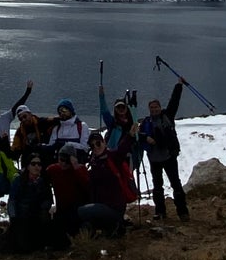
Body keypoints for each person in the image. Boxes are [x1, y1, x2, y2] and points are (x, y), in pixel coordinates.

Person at [139, 80, 189, 221]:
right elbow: (139, 137)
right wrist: (146, 138)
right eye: (152, 108)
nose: (154, 110)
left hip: (169, 157)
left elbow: (174, 101)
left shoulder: (167, 116)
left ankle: (183, 212)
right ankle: (160, 212)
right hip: (154, 160)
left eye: (156, 107)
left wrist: (178, 85)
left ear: (160, 107)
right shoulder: (145, 123)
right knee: (157, 186)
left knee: (176, 184)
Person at [3, 150, 68, 254]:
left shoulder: (43, 182)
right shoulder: (18, 180)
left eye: (39, 164)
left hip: (38, 216)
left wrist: (45, 207)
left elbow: (49, 200)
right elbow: (12, 201)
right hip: (22, 217)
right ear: (28, 166)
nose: (36, 167)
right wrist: (13, 218)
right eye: (33, 164)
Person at [78, 128, 137, 238]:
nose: (96, 147)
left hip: (115, 207)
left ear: (104, 142)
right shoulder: (94, 163)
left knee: (82, 212)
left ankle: (114, 224)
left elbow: (122, 150)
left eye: (98, 143)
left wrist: (130, 135)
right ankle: (111, 228)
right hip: (103, 205)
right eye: (92, 146)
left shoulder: (113, 158)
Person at [47, 143, 89, 238]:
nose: (63, 163)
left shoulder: (80, 169)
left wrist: (75, 167)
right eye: (61, 160)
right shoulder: (53, 169)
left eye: (66, 161)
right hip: (61, 209)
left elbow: (87, 187)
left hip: (77, 209)